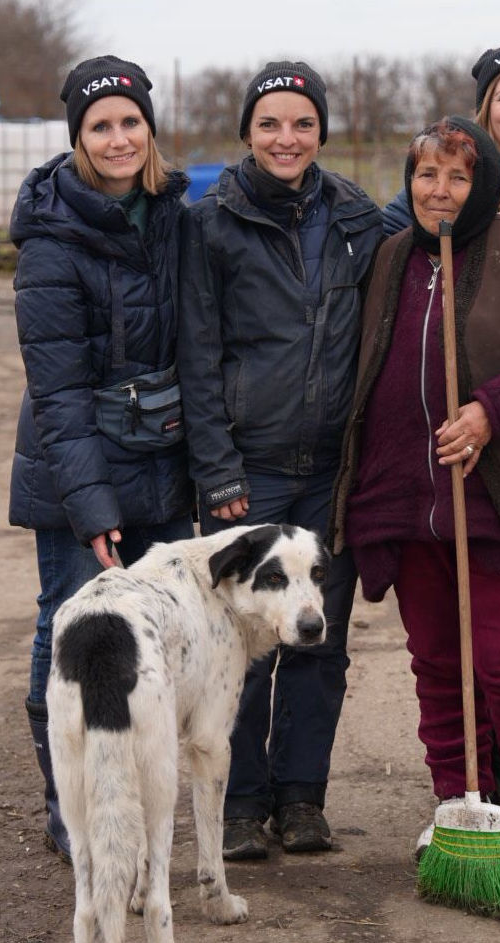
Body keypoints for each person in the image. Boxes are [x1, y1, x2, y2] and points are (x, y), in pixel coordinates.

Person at [330, 117, 500, 893]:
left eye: (457, 177)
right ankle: (461, 799)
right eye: (426, 176)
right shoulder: (391, 257)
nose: (440, 192)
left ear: (481, 183)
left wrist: (490, 410)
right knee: (439, 666)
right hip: (411, 504)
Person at [177, 61, 383, 861]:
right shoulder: (212, 223)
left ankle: (302, 800)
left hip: (333, 466)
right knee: (238, 642)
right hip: (250, 467)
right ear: (247, 133)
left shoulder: (357, 220)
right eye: (270, 123)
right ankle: (239, 805)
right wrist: (218, 470)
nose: (286, 138)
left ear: (321, 131)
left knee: (317, 640)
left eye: (302, 123)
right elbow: (197, 357)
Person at [8, 56, 195, 861]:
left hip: (160, 459)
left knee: (149, 641)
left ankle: (133, 798)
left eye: (129, 121)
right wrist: (92, 509)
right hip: (77, 469)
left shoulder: (175, 218)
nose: (118, 139)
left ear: (149, 128)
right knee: (72, 628)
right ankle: (70, 807)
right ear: (77, 139)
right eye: (100, 126)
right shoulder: (51, 243)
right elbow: (57, 393)